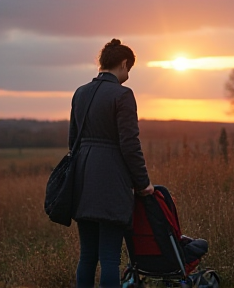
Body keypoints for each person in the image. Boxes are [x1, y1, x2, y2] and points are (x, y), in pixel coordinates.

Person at [69, 39, 154, 288]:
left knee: (87, 256)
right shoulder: (123, 95)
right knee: (109, 257)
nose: (128, 76)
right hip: (111, 182)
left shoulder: (80, 93)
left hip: (82, 181)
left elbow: (72, 142)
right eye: (129, 70)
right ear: (124, 64)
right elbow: (130, 144)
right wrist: (143, 182)